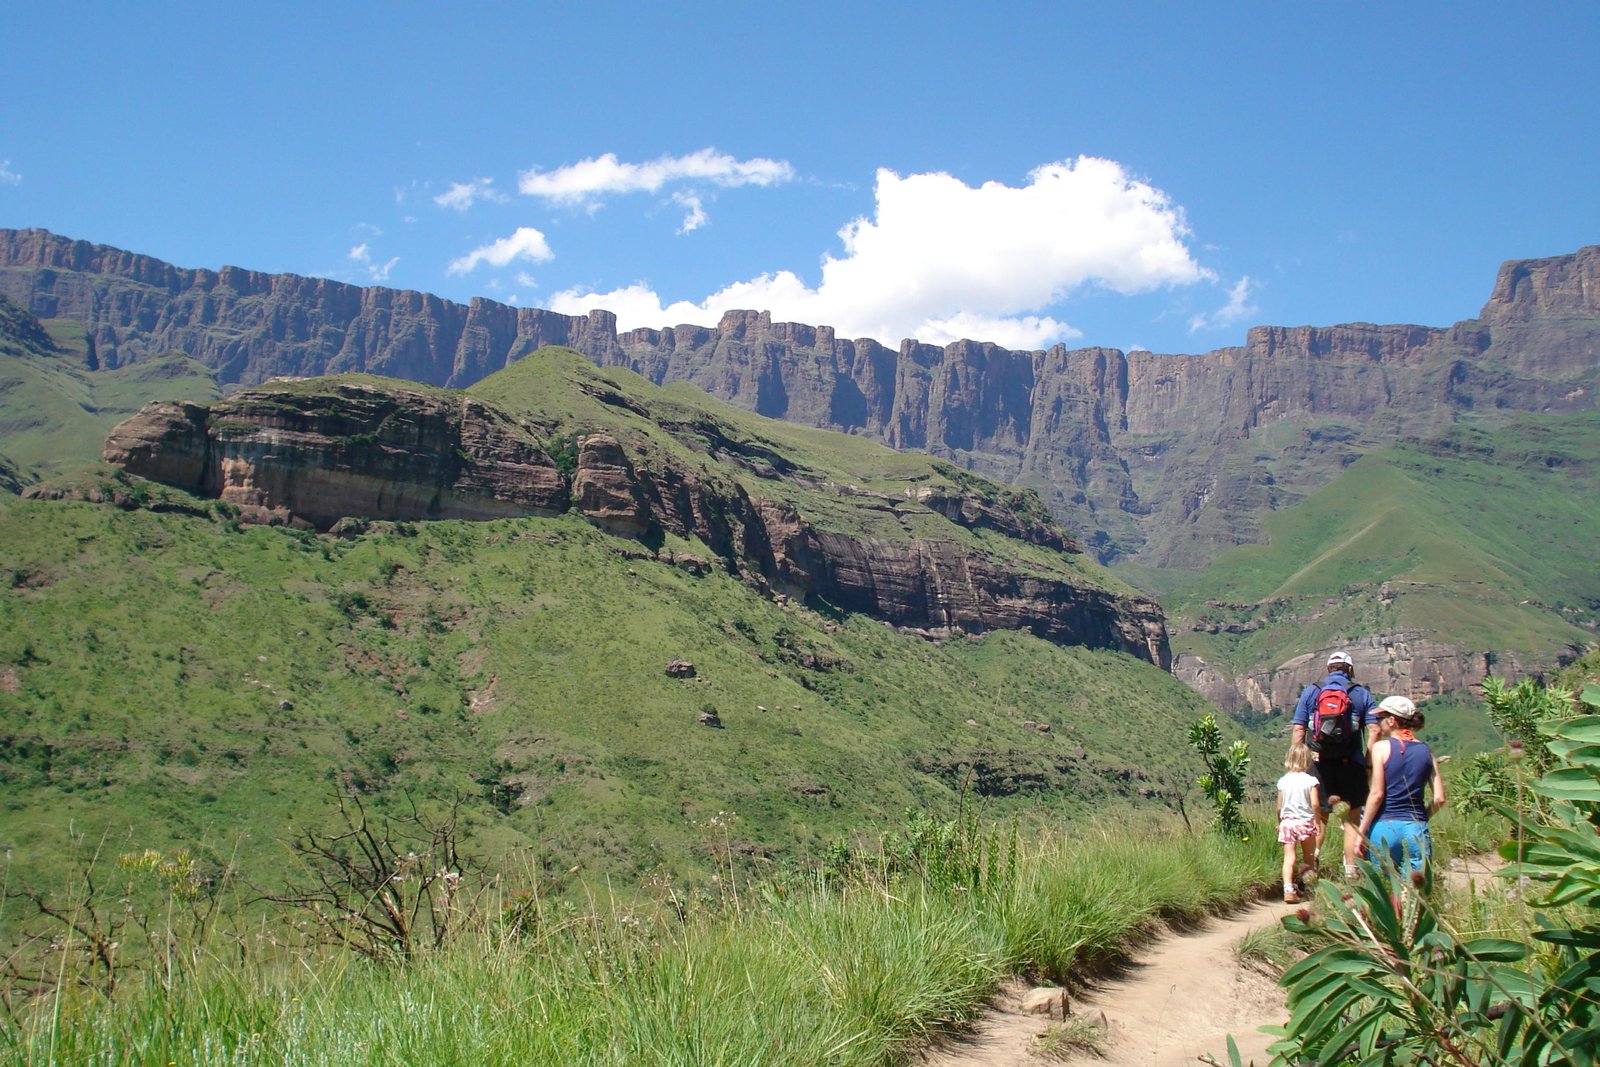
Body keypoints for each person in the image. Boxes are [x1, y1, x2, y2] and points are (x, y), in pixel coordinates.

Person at [1291, 650, 1377, 880]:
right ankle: (1351, 871)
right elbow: (1375, 730)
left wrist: (1297, 764)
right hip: (1352, 764)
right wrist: (1369, 762)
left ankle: (1311, 867)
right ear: (1349, 669)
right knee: (1351, 820)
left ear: (1329, 669)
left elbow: (1299, 728)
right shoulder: (1361, 694)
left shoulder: (1312, 692)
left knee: (1319, 819)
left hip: (1318, 764)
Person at [1358, 695, 1446, 879]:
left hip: (1383, 828)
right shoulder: (1426, 751)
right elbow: (1439, 798)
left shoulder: (1381, 748)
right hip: (1416, 828)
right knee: (1415, 895)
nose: (1378, 721)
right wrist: (1422, 819)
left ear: (1391, 721)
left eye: (1380, 717)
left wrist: (1361, 832)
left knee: (1387, 892)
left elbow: (1377, 794)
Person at [1277, 741, 1320, 903]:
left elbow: (1279, 806)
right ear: (1307, 760)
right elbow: (1315, 803)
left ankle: (1288, 889)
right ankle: (1308, 889)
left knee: (1289, 857)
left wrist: (1279, 822)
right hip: (1305, 822)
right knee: (1309, 858)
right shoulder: (1311, 781)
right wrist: (1316, 820)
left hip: (1287, 823)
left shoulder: (1283, 781)